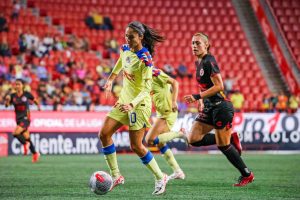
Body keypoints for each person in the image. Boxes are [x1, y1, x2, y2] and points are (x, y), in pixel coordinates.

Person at [98, 21, 168, 195]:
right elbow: (121, 62)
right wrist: (111, 79)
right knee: (104, 134)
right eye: (126, 35)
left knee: (136, 146)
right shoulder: (125, 49)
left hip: (139, 105)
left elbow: (146, 89)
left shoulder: (145, 60)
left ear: (141, 37)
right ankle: (116, 176)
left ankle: (160, 177)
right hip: (124, 101)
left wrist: (132, 104)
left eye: (131, 36)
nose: (127, 39)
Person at [183, 33, 254, 186]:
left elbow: (219, 86)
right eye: (193, 43)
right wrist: (201, 100)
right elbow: (203, 84)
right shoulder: (199, 62)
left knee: (223, 145)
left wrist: (197, 96)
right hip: (209, 107)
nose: (194, 46)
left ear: (206, 45)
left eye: (198, 43)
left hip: (222, 107)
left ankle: (247, 174)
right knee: (192, 138)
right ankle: (231, 138)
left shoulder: (209, 61)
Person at [145, 67, 185, 180]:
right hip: (161, 112)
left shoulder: (154, 72)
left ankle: (180, 133)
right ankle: (178, 171)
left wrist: (173, 101)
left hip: (168, 111)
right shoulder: (144, 77)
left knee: (149, 140)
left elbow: (175, 82)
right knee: (160, 143)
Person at [4, 79, 40, 163]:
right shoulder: (12, 96)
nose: (17, 86)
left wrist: (38, 106)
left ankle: (24, 144)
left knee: (15, 133)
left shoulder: (27, 94)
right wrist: (7, 100)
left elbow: (35, 100)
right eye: (16, 84)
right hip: (18, 119)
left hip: (26, 118)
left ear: (22, 86)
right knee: (27, 138)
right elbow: (6, 106)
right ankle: (35, 153)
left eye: (19, 84)